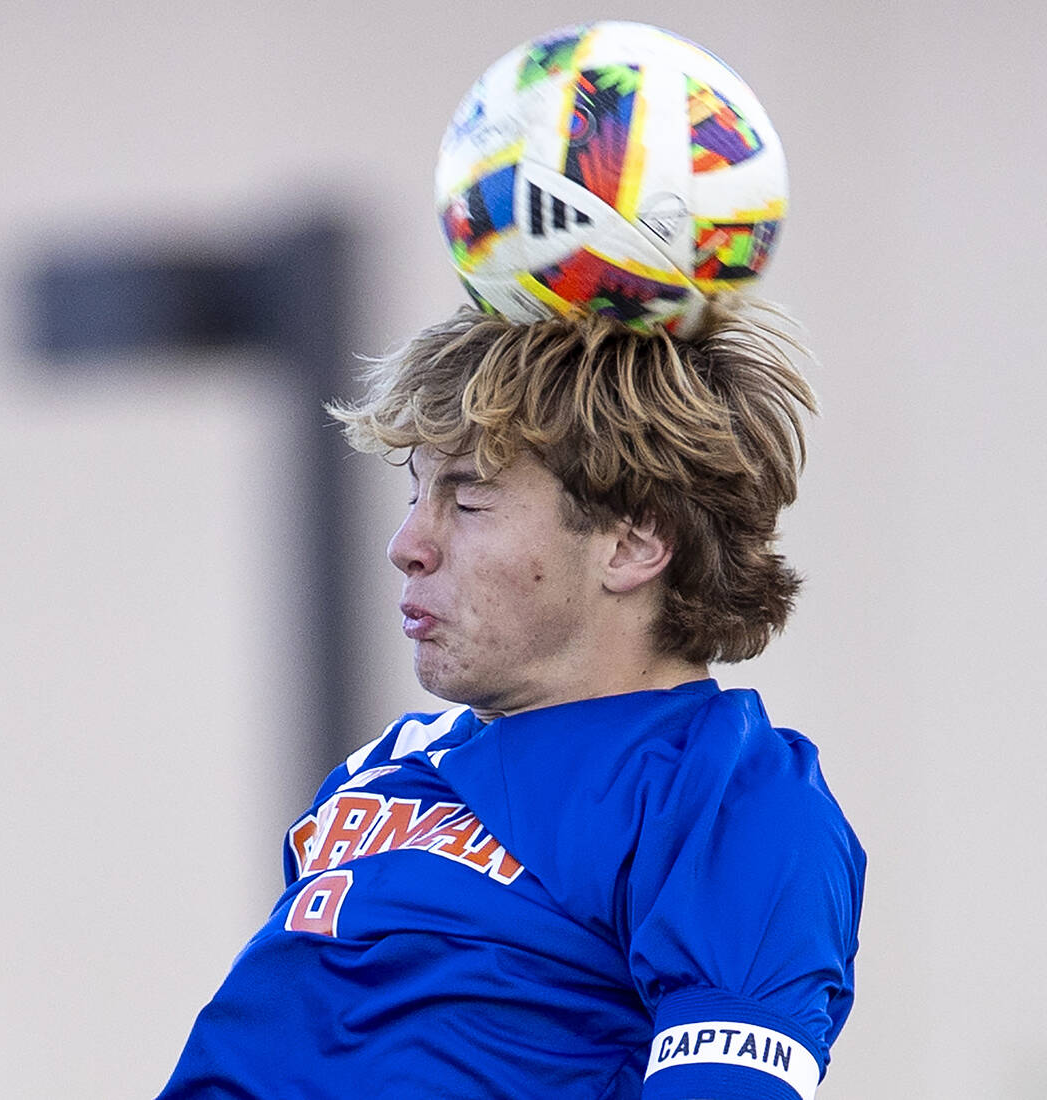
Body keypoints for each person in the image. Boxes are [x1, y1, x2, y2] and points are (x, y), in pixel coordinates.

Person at [156, 301, 865, 1099]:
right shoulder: (382, 769)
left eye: (468, 500)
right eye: (416, 494)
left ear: (633, 542)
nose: (408, 545)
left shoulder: (723, 796)